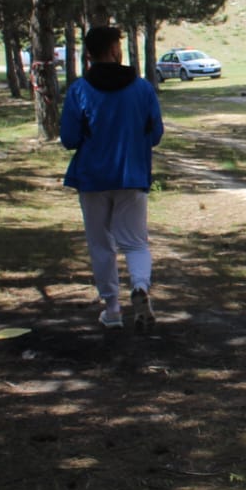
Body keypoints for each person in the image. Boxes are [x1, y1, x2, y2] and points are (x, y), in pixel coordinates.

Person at [61, 25, 164, 332]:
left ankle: (113, 309)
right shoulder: (142, 88)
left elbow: (69, 138)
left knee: (100, 245)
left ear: (89, 53)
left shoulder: (79, 89)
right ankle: (141, 287)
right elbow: (156, 134)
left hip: (92, 177)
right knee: (134, 243)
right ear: (115, 50)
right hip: (132, 175)